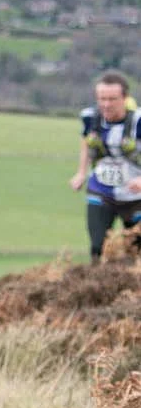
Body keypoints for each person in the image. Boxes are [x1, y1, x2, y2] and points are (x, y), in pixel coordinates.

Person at [72, 70, 141, 264]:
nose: (106, 104)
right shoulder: (89, 117)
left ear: (125, 98)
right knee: (97, 247)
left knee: (135, 249)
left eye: (112, 99)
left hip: (136, 196)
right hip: (101, 190)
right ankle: (96, 288)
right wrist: (81, 172)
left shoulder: (138, 121)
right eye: (102, 99)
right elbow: (85, 142)